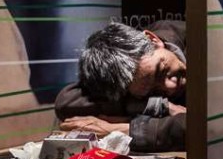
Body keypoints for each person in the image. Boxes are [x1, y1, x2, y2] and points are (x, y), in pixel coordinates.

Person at [54, 21, 186, 151]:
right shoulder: (132, 83)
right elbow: (66, 103)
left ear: (153, 40)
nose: (170, 87)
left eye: (160, 71)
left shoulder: (201, 38)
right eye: (152, 90)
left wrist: (123, 129)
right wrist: (159, 106)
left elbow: (201, 127)